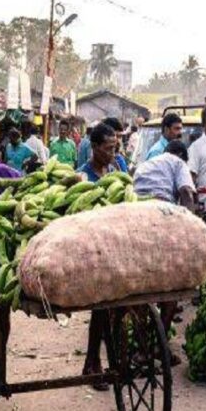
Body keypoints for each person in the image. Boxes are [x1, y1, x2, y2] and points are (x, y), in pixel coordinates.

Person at [132, 140, 197, 364]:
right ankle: (160, 346)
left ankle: (142, 349)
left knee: (142, 290)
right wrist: (191, 227)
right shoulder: (179, 164)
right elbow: (187, 194)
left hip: (136, 218)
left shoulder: (147, 164)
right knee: (172, 287)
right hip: (161, 217)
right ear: (181, 156)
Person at [77, 123, 118, 390]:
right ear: (94, 148)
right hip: (91, 249)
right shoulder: (82, 177)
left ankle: (95, 362)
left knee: (110, 309)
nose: (113, 153)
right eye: (107, 148)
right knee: (102, 307)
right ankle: (95, 362)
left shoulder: (117, 171)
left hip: (115, 247)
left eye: (115, 147)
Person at [133, 140, 197, 212]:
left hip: (136, 206)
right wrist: (191, 218)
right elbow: (186, 191)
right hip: (161, 207)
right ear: (180, 155)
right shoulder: (179, 162)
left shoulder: (146, 163)